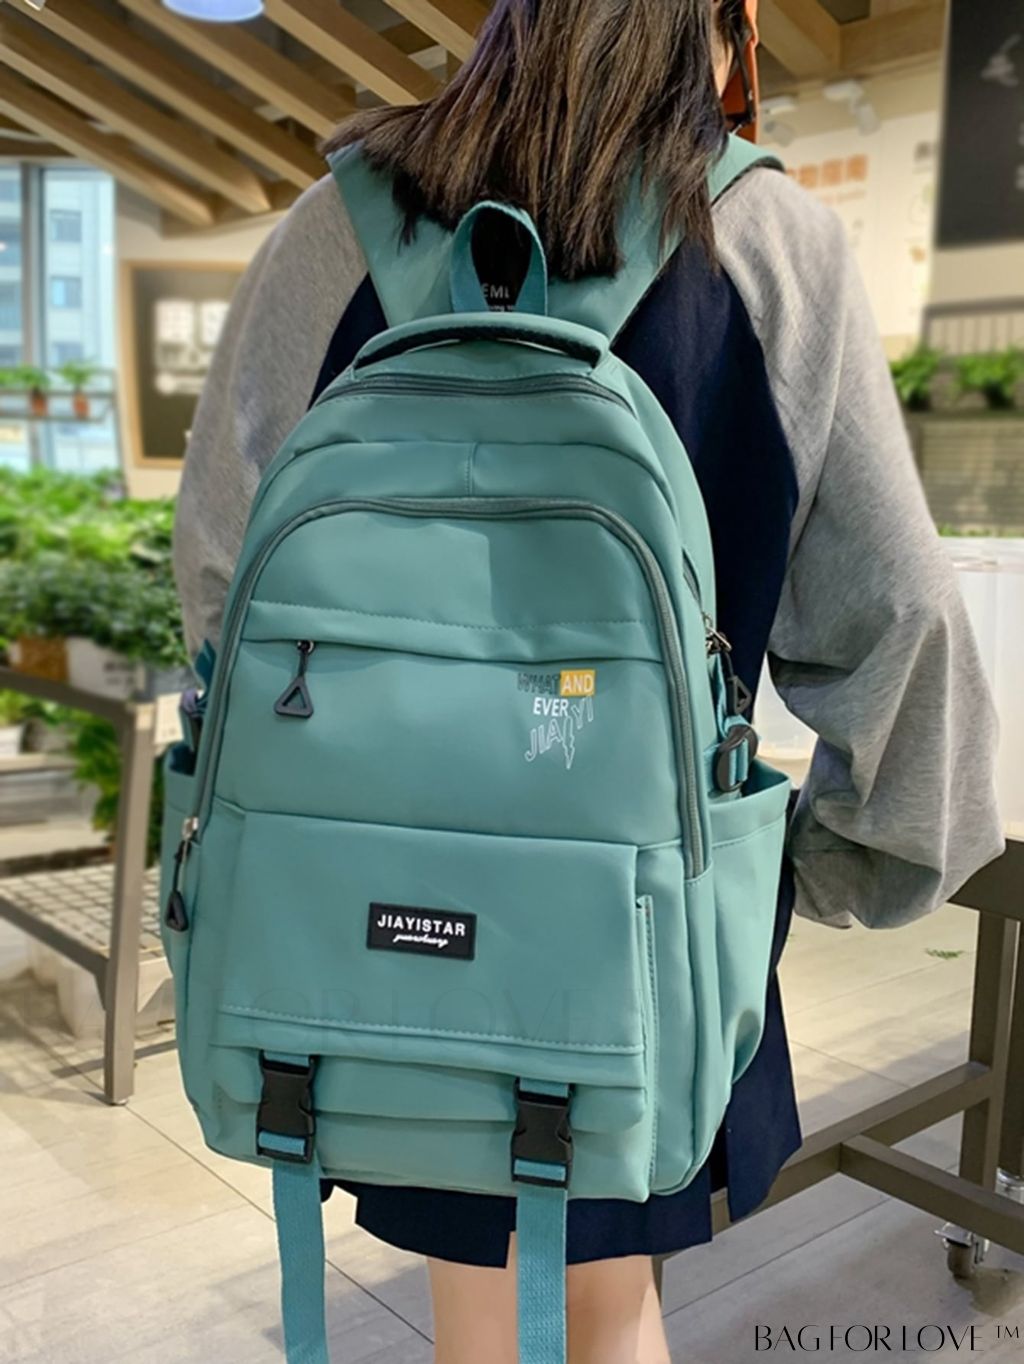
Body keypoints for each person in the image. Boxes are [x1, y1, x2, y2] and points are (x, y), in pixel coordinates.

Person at [173, 1, 1004, 1360]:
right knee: (602, 1301)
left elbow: (221, 573)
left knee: (484, 1292)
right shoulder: (765, 235)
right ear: (724, 25)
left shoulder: (339, 226)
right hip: (641, 915)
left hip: (365, 912)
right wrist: (844, 861)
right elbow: (900, 613)